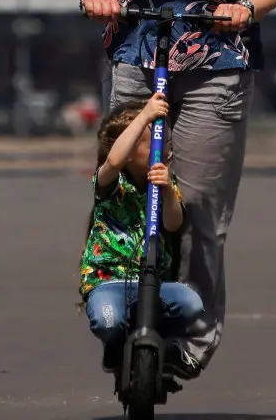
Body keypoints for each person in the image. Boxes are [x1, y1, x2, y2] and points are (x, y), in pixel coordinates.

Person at [75, 0, 276, 376]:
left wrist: (248, 5)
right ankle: (119, 308)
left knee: (200, 210)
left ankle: (192, 336)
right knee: (123, 189)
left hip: (217, 65)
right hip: (139, 57)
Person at [79, 94, 204, 379]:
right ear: (133, 148)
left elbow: (173, 224)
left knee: (192, 305)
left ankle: (167, 344)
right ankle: (115, 343)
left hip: (151, 282)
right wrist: (145, 116)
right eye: (156, 142)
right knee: (108, 322)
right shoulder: (110, 183)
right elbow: (114, 159)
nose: (166, 149)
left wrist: (168, 192)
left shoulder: (162, 183)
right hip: (108, 280)